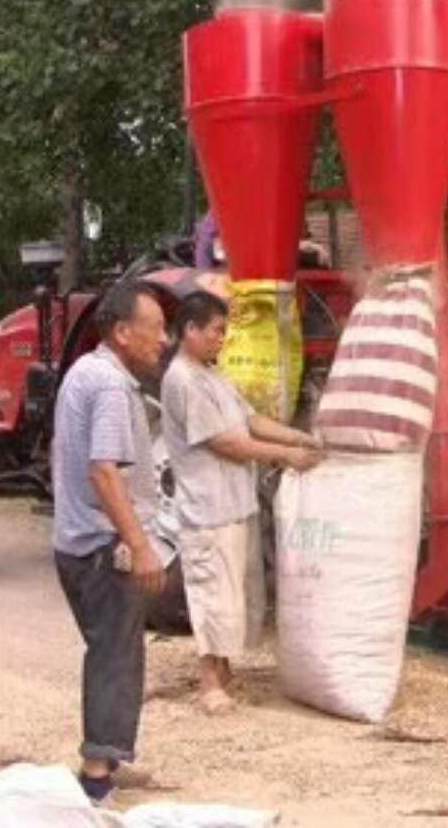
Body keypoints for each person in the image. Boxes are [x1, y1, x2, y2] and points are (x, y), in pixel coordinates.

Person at [160, 291, 323, 712]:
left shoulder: (213, 376)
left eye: (225, 331)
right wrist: (287, 456)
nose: (222, 339)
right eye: (216, 331)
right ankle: (209, 681)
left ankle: (225, 669)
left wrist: (300, 436)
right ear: (190, 330)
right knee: (211, 591)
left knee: (235, 593)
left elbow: (250, 420)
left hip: (235, 505)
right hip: (207, 509)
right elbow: (226, 442)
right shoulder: (182, 379)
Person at [52, 280, 170, 805]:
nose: (162, 341)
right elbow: (104, 472)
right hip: (101, 547)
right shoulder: (110, 387)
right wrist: (140, 544)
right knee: (114, 657)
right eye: (157, 330)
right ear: (123, 332)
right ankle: (96, 774)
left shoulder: (86, 371)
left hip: (75, 542)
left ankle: (110, 758)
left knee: (116, 650)